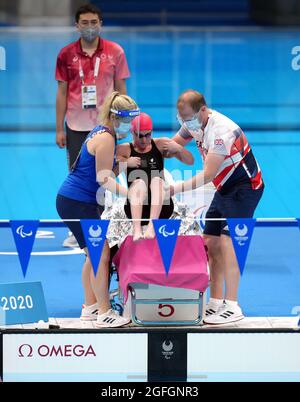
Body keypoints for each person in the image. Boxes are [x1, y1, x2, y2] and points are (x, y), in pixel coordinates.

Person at [171, 89, 264, 325]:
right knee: (210, 241)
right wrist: (142, 148)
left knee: (227, 243)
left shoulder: (222, 130)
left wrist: (174, 189)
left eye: (188, 118)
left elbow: (208, 174)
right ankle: (215, 301)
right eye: (182, 118)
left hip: (245, 187)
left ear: (203, 110)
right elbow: (174, 144)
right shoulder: (192, 121)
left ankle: (232, 306)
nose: (185, 123)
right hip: (224, 188)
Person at [56, 91, 140, 328]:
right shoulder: (106, 139)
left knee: (92, 255)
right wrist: (129, 192)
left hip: (77, 201)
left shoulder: (105, 132)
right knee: (100, 255)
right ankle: (104, 313)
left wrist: (123, 162)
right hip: (77, 203)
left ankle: (90, 307)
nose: (129, 125)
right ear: (115, 117)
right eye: (127, 120)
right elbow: (104, 179)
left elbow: (104, 172)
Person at [55, 3, 130, 247]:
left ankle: (97, 219)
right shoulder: (66, 54)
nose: (89, 27)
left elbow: (121, 89)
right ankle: (77, 226)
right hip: (76, 124)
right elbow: (62, 92)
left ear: (100, 24)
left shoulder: (115, 51)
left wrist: (126, 119)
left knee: (105, 174)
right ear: (77, 25)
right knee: (80, 173)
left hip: (106, 124)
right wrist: (59, 127)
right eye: (84, 23)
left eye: (93, 22)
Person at [117, 112, 194, 241]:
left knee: (157, 180)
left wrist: (179, 148)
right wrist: (125, 163)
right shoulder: (124, 149)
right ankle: (137, 230)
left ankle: (152, 225)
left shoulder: (160, 144)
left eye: (148, 135)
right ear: (132, 132)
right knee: (139, 183)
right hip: (136, 210)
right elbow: (107, 170)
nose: (144, 140)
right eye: (140, 136)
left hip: (162, 208)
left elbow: (190, 161)